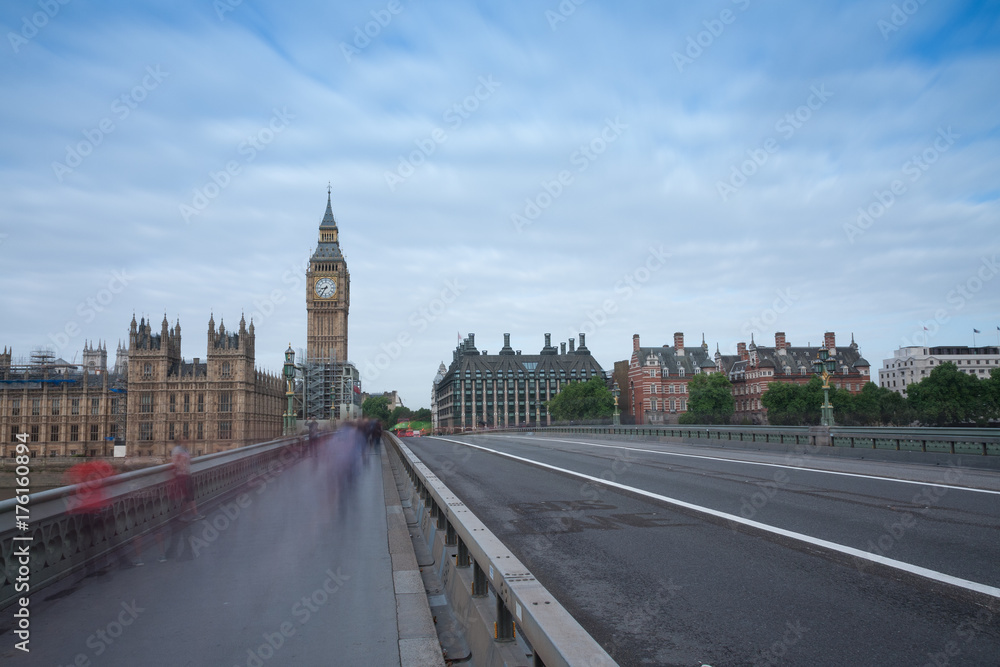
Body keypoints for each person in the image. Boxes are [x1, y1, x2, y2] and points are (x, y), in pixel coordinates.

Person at [171, 438, 203, 521]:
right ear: (180, 441)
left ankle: (181, 515)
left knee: (188, 496)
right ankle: (194, 515)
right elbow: (175, 463)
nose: (186, 440)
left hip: (187, 474)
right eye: (184, 439)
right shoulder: (177, 450)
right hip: (182, 475)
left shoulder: (185, 450)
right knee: (190, 495)